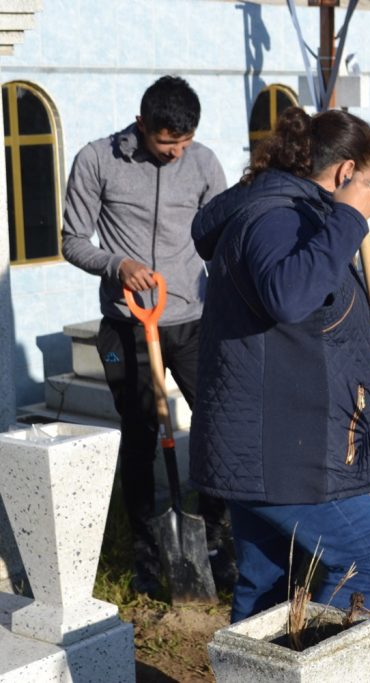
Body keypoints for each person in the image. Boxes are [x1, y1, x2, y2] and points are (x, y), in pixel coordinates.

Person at [189, 106, 370, 622]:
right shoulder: (277, 217)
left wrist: (367, 377)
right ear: (346, 171)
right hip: (281, 450)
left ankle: (255, 665)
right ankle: (319, 660)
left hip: (272, 438)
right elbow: (289, 297)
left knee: (267, 585)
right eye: (368, 180)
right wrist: (349, 218)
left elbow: (306, 323)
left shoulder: (292, 213)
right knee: (368, 560)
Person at [61, 75, 233, 597]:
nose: (177, 152)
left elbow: (224, 235)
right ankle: (146, 552)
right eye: (166, 143)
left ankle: (214, 536)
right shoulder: (96, 160)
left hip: (192, 320)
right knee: (138, 435)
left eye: (185, 142)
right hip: (127, 324)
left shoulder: (203, 163)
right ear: (141, 125)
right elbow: (72, 240)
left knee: (219, 420)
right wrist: (117, 264)